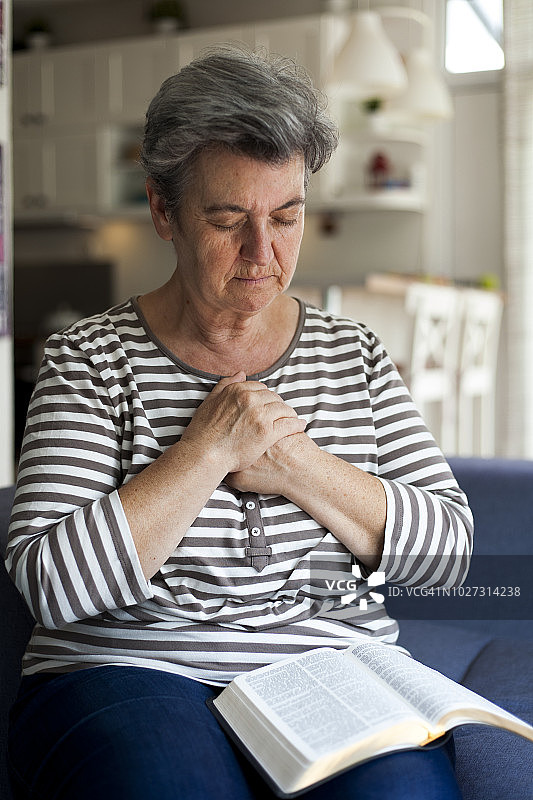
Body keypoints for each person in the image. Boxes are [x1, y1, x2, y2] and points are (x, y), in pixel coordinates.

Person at [6, 48, 472, 800]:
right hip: (130, 667)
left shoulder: (352, 353)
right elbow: (51, 584)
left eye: (285, 217)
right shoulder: (88, 358)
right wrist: (205, 450)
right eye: (227, 219)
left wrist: (296, 466)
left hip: (329, 671)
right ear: (164, 210)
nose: (263, 254)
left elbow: (447, 555)